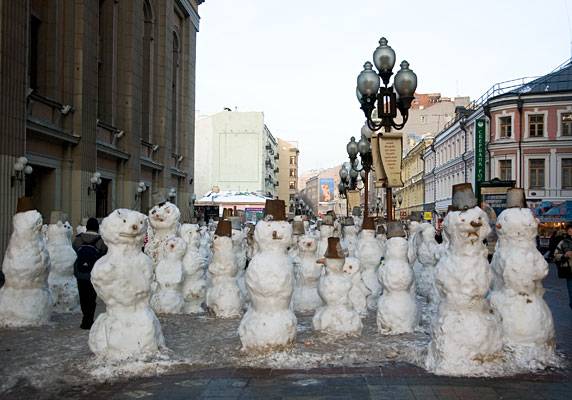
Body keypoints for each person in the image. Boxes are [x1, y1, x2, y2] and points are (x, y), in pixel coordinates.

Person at [72, 217, 107, 329]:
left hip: (80, 273)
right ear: (97, 228)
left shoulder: (78, 239)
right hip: (93, 273)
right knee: (91, 297)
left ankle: (85, 317)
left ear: (86, 227)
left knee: (83, 296)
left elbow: (74, 249)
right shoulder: (101, 241)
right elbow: (104, 253)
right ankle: (89, 319)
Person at [554, 222, 572, 310]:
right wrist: (564, 256)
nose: (571, 231)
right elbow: (556, 255)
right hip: (569, 272)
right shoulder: (563, 242)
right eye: (569, 230)